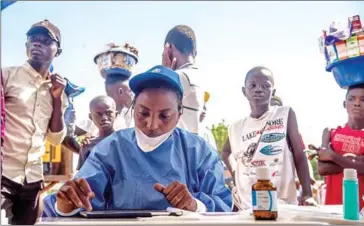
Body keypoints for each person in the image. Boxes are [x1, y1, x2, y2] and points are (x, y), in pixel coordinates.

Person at [52, 65, 231, 216]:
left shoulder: (198, 151)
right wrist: (68, 202)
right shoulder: (112, 148)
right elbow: (78, 198)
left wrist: (194, 204)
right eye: (143, 113)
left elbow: (223, 204)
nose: (152, 125)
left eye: (165, 116)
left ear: (179, 116)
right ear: (132, 109)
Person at [1, 19, 67, 225]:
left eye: (46, 41)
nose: (37, 43)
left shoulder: (58, 89)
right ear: (26, 46)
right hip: (4, 175)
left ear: (58, 51)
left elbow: (56, 139)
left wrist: (57, 99)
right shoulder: (6, 76)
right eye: (33, 39)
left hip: (32, 179)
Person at [222, 66, 315, 210]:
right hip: (247, 204)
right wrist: (234, 173)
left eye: (265, 86)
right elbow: (225, 152)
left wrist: (307, 194)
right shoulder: (237, 127)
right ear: (244, 91)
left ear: (273, 92)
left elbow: (299, 154)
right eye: (252, 85)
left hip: (282, 204)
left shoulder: (285, 115)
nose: (258, 89)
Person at [318, 83, 364, 209]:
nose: (357, 103)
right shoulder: (331, 132)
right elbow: (323, 169)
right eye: (352, 99)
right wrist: (353, 162)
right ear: (345, 104)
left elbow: (363, 168)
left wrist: (333, 156)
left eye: (363, 99)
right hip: (334, 207)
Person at [162, 25, 204, 135]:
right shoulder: (199, 77)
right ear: (195, 52)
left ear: (169, 48)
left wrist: (165, 74)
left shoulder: (179, 77)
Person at [76, 96, 117, 170]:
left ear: (116, 114)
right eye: (98, 114)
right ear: (91, 117)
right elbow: (82, 176)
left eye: (108, 113)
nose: (104, 118)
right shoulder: (87, 145)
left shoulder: (125, 142)